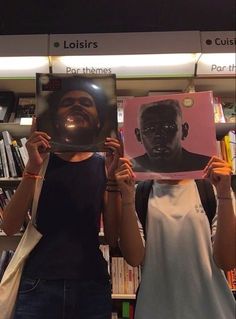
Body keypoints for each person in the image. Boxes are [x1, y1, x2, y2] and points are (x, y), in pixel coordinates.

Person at [1, 121, 122, 319]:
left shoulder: (102, 165)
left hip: (90, 285)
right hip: (39, 283)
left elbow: (112, 236)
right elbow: (9, 227)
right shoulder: (41, 162)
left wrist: (113, 180)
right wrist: (32, 167)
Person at [115, 156, 236, 319]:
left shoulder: (212, 189)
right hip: (155, 310)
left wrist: (224, 195)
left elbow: (227, 261)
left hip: (212, 310)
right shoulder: (139, 193)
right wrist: (127, 199)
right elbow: (133, 258)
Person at [37, 75, 117, 152]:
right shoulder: (43, 158)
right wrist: (34, 164)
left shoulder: (108, 159)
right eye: (67, 103)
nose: (77, 105)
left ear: (99, 121)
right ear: (56, 122)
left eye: (86, 103)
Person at [131, 99, 211, 172]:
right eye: (150, 128)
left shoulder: (205, 166)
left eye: (168, 127)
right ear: (138, 135)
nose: (159, 135)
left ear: (184, 131)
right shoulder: (132, 168)